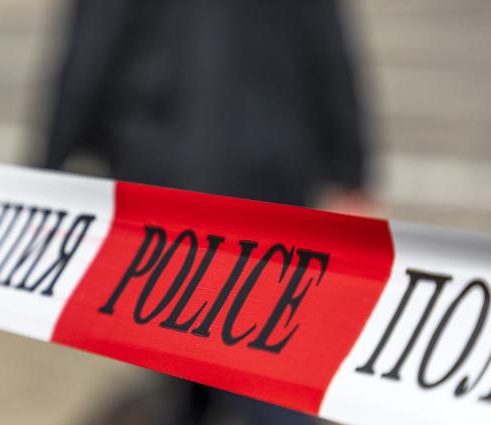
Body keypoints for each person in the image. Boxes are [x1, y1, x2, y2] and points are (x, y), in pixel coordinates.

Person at [42, 0, 373, 423]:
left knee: (192, 339)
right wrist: (351, 169)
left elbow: (89, 56)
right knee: (256, 341)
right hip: (268, 172)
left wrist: (48, 168)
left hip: (164, 175)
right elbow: (326, 47)